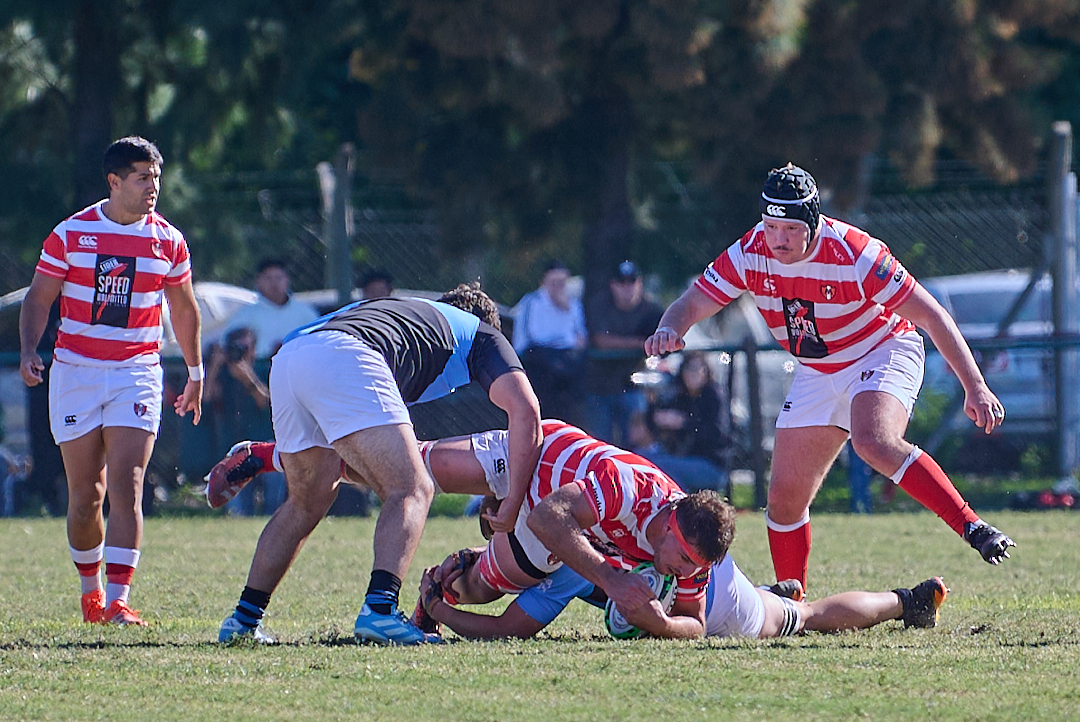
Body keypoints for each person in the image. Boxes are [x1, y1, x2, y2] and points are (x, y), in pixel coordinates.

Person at [644, 163, 1015, 591]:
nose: (778, 239)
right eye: (771, 226)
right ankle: (792, 604)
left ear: (813, 221)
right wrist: (670, 327)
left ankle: (972, 526)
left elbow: (932, 315)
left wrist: (975, 386)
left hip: (882, 348)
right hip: (819, 368)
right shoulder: (750, 251)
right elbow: (693, 301)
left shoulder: (857, 254)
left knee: (872, 441)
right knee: (783, 499)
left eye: (790, 229)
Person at [215, 283, 542, 645]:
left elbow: (363, 456)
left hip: (292, 358)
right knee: (414, 488)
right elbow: (526, 411)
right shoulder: (481, 334)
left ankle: (242, 621)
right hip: (345, 355)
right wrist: (512, 503)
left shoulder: (409, 322)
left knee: (307, 502)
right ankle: (380, 610)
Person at [18, 136, 203, 626]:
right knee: (86, 497)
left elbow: (184, 309)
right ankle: (91, 596)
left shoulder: (169, 240)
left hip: (136, 372)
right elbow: (39, 298)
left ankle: (119, 601)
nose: (152, 188)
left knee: (128, 484)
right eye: (142, 178)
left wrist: (196, 372)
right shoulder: (71, 234)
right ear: (114, 181)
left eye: (156, 178)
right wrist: (29, 350)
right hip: (76, 372)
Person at [418, 548, 949, 641]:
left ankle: (907, 601)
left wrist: (439, 608)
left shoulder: (562, 568)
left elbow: (506, 629)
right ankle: (764, 591)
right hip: (694, 560)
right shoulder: (572, 515)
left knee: (805, 616)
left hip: (711, 605)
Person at [203, 327, 284, 516]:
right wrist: (214, 368)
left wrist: (248, 378)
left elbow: (266, 403)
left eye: (246, 348)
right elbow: (206, 400)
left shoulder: (264, 370)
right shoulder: (223, 376)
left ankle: (274, 520)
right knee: (238, 509)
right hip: (233, 446)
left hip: (264, 444)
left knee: (274, 496)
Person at [585, 260, 664, 446]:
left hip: (636, 387)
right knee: (600, 445)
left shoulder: (652, 309)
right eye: (622, 282)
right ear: (613, 285)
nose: (627, 287)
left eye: (632, 282)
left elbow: (662, 345)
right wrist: (640, 343)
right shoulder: (600, 305)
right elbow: (601, 341)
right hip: (600, 386)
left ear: (640, 283)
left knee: (636, 447)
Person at [512, 259, 587, 425]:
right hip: (539, 363)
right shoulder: (531, 302)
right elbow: (529, 338)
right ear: (544, 282)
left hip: (566, 364)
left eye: (562, 282)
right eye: (554, 282)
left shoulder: (573, 305)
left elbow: (581, 337)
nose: (558, 287)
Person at [648, 350, 730, 492]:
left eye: (696, 368)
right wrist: (656, 412)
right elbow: (654, 419)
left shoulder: (713, 396)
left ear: (706, 371)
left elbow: (717, 434)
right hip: (683, 458)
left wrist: (684, 423)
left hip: (712, 464)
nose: (692, 373)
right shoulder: (681, 396)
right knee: (647, 460)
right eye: (688, 368)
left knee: (664, 467)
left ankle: (682, 503)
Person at [224, 258, 319, 359]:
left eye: (278, 278)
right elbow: (227, 342)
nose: (274, 283)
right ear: (258, 281)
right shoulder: (246, 313)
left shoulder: (305, 312)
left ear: (287, 280)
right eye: (268, 278)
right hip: (259, 363)